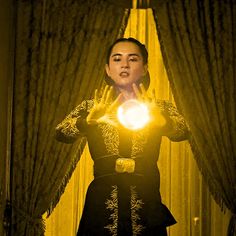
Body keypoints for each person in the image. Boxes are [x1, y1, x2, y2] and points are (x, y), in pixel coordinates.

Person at [55, 37, 189, 236]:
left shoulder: (159, 107)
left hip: (146, 199)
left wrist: (162, 122)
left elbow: (184, 131)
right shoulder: (91, 107)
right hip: (102, 202)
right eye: (117, 59)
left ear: (144, 68)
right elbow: (61, 132)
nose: (124, 64)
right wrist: (87, 122)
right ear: (108, 69)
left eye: (133, 59)